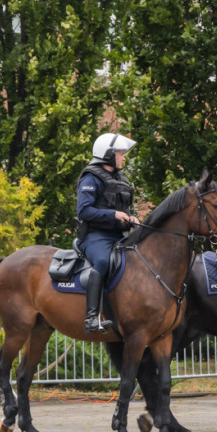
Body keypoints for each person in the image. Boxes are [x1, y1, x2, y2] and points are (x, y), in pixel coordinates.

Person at [76, 132, 140, 334]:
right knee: (102, 262)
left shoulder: (120, 179)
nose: (124, 157)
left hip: (118, 237)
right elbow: (84, 211)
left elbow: (123, 209)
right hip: (95, 237)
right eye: (120, 153)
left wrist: (131, 218)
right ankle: (91, 318)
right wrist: (114, 215)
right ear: (108, 155)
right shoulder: (91, 178)